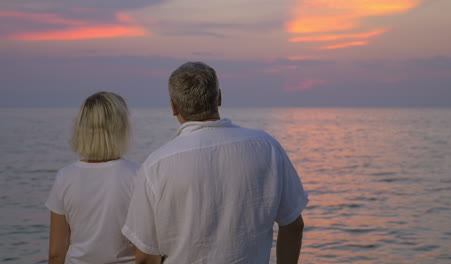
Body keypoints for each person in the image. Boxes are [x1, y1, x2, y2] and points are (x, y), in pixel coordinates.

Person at [122, 62, 308, 264]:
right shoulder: (267, 146)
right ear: (219, 97)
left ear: (173, 106)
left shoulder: (156, 165)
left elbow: (145, 256)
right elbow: (293, 225)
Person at [46, 91, 138, 264]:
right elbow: (145, 250)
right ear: (122, 128)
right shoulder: (137, 176)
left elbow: (56, 253)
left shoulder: (65, 177)